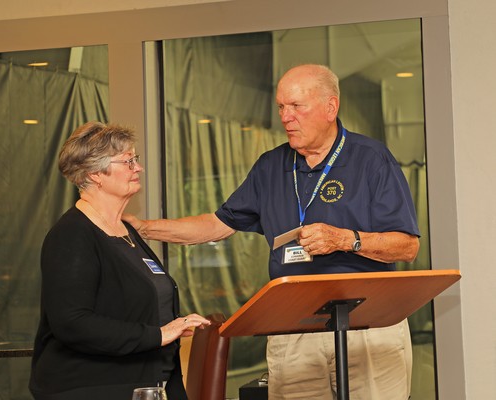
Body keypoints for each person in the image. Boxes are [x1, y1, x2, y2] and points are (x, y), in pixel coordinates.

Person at [124, 64, 420, 399]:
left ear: (330, 107)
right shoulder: (270, 165)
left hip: (366, 326)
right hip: (292, 329)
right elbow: (217, 224)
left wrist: (344, 239)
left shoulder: (372, 160)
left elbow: (406, 247)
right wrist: (144, 228)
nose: (286, 117)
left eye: (297, 106)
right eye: (281, 106)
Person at [29, 121, 210, 400]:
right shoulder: (72, 235)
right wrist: (159, 334)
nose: (138, 168)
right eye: (128, 161)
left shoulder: (127, 232)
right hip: (91, 389)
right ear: (95, 174)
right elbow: (72, 323)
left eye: (135, 160)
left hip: (150, 384)